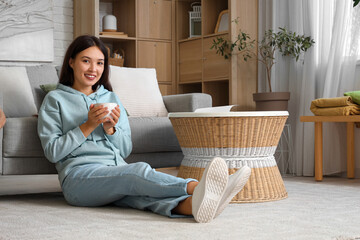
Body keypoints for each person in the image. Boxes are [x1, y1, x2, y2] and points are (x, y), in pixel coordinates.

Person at [37, 35, 251, 223]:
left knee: (143, 197)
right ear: (72, 62)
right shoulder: (55, 99)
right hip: (78, 179)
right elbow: (53, 152)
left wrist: (111, 130)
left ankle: (196, 205)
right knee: (136, 173)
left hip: (115, 170)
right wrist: (88, 125)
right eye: (86, 61)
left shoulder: (111, 99)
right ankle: (200, 186)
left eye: (100, 63)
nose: (94, 69)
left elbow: (125, 150)